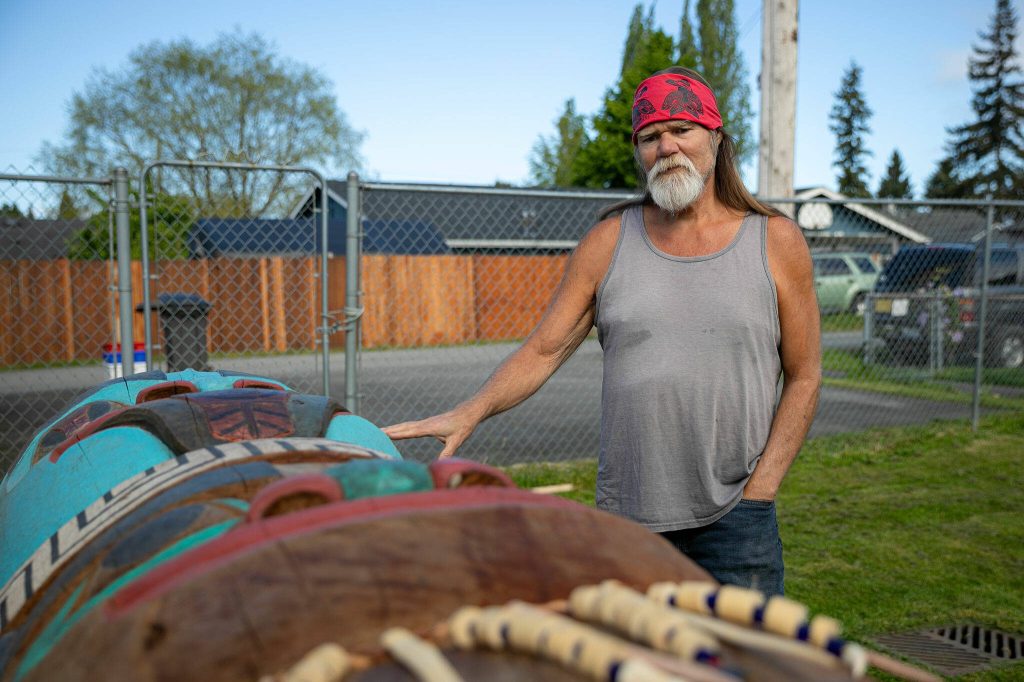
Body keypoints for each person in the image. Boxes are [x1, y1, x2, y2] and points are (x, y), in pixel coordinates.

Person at [384, 67, 821, 596]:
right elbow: (544, 350)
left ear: (716, 136)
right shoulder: (609, 240)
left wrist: (762, 488)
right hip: (630, 519)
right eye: (649, 136)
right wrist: (470, 411)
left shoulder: (775, 241)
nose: (666, 147)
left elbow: (804, 374)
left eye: (681, 129)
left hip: (737, 519)